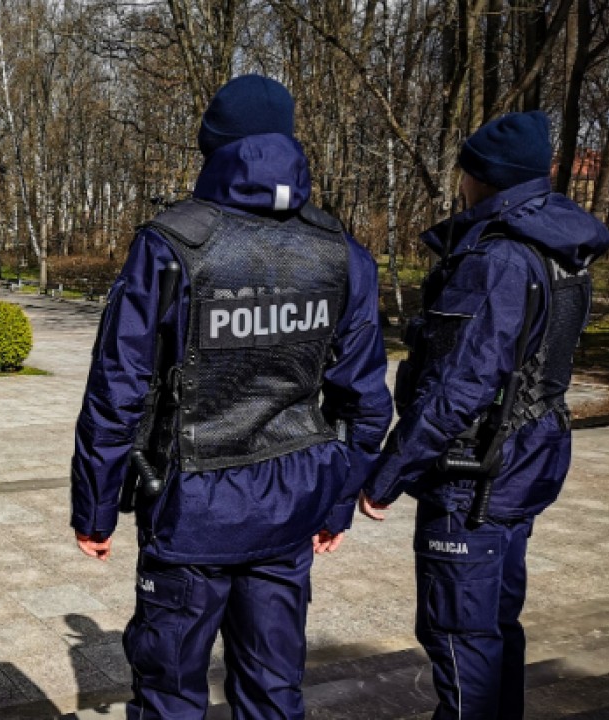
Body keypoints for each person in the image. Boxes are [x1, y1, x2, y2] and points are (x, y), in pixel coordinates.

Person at [70, 75, 393, 719]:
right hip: (293, 504)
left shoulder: (170, 245)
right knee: (274, 691)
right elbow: (365, 400)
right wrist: (336, 504)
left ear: (212, 147)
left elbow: (118, 388)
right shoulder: (341, 253)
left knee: (170, 696)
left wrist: (96, 509)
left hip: (193, 511)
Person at [359, 111, 609, 720]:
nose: (459, 184)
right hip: (530, 454)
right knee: (495, 624)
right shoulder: (556, 245)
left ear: (482, 178)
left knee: (459, 635)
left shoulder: (497, 260)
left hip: (480, 470)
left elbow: (458, 385)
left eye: (465, 172)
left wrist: (388, 474)